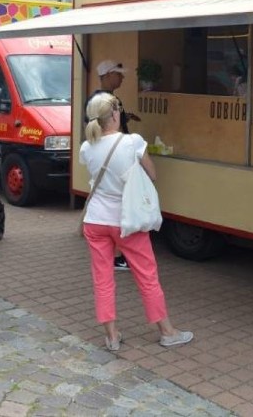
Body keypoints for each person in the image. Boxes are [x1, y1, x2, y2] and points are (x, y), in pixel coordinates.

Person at [80, 92, 193, 351]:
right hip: (126, 220)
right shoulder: (133, 142)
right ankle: (167, 331)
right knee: (146, 275)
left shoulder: (87, 147)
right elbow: (151, 173)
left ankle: (111, 336)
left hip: (95, 220)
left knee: (102, 278)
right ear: (116, 114)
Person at [87, 60, 142, 271]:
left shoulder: (109, 99)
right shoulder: (101, 100)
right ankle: (121, 254)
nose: (122, 78)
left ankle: (117, 254)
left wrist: (126, 118)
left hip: (113, 161)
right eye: (118, 74)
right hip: (113, 163)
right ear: (108, 75)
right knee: (119, 207)